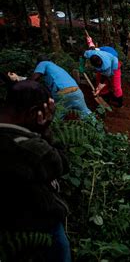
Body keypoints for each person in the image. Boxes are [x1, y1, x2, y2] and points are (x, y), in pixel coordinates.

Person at [0, 81, 71, 262]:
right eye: (46, 112)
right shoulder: (28, 147)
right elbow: (61, 164)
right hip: (36, 223)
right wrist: (45, 129)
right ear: (34, 113)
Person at [27, 57, 93, 119]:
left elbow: (35, 78)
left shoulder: (43, 63)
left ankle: (55, 129)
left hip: (63, 93)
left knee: (56, 117)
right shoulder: (56, 68)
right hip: (76, 91)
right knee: (85, 113)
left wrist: (25, 83)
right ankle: (98, 127)